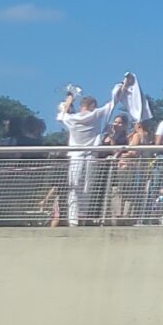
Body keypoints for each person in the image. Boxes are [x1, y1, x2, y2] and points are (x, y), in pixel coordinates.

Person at [56, 88, 111, 227]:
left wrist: (69, 99)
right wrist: (123, 87)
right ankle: (83, 217)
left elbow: (61, 115)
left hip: (75, 155)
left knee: (73, 187)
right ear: (93, 106)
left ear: (81, 105)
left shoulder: (72, 118)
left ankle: (73, 219)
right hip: (90, 155)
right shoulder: (96, 115)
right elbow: (112, 103)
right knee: (87, 187)